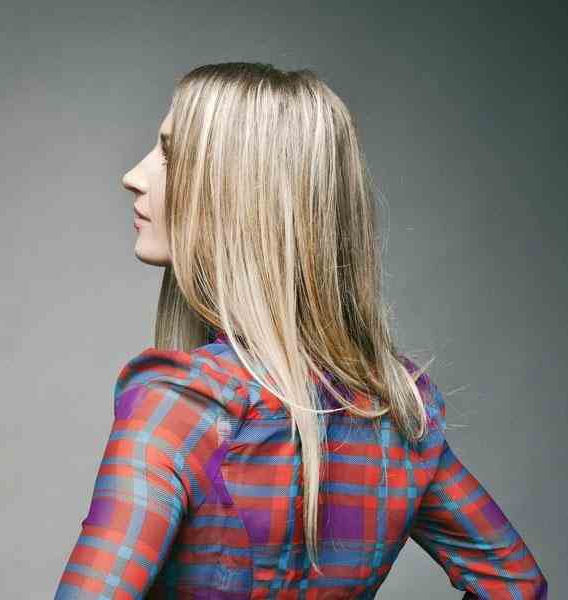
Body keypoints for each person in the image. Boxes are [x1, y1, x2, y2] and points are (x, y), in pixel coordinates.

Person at [53, 62, 547, 599]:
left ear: (236, 194)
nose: (134, 175)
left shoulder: (183, 403)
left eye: (170, 154)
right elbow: (516, 586)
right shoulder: (395, 413)